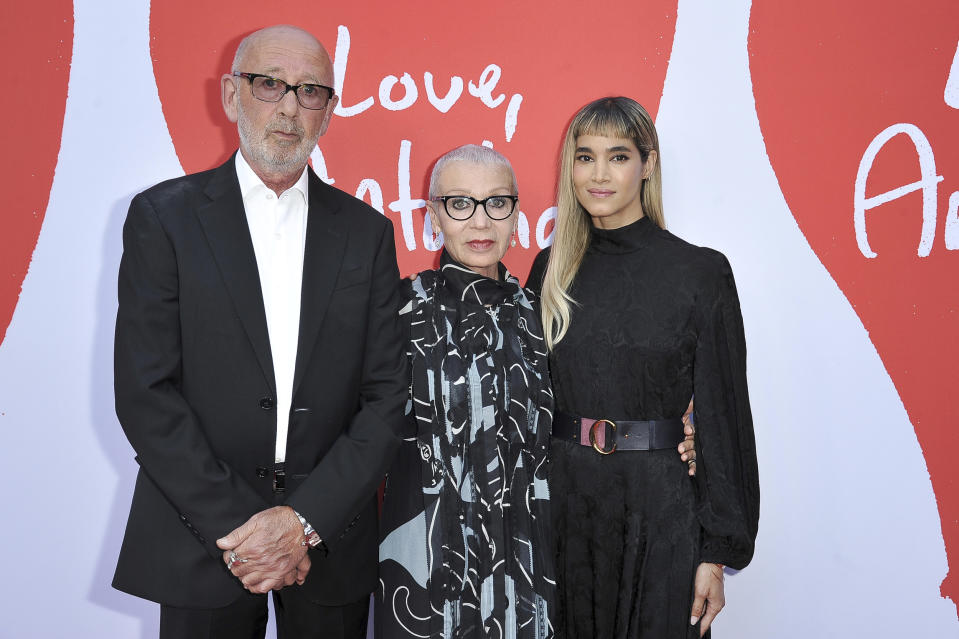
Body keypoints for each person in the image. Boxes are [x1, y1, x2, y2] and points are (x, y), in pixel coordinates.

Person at [112, 25, 408, 639]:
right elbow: (146, 393)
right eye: (268, 84)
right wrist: (248, 531)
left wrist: (301, 523)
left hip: (329, 543)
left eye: (309, 92)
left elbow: (386, 397)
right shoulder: (162, 219)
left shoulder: (367, 233)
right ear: (231, 95)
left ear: (329, 112)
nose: (289, 107)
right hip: (203, 536)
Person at [527, 97, 759, 638]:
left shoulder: (701, 273)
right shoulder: (550, 268)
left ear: (648, 163)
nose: (599, 174)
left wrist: (716, 553)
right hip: (564, 510)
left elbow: (725, 418)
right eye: (585, 157)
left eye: (618, 156)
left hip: (661, 513)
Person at [377, 145, 555, 638]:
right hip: (425, 564)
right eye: (460, 203)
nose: (480, 222)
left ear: (516, 214)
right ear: (434, 213)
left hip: (527, 567)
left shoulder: (544, 317)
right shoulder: (398, 311)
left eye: (496, 203)